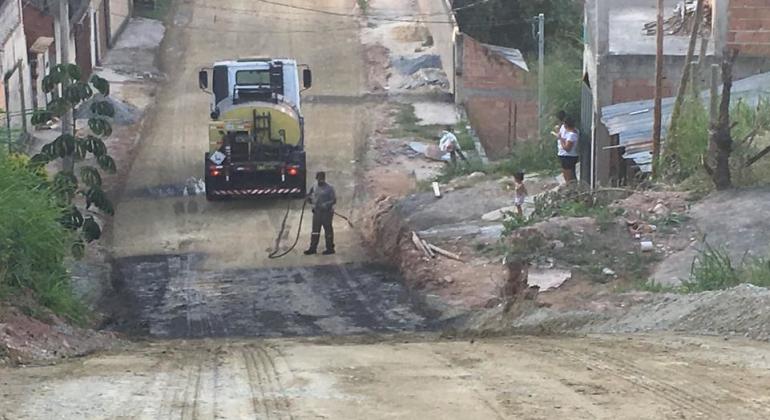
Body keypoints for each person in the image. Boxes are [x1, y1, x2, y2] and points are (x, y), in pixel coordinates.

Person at [304, 171, 336, 255]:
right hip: (317, 212)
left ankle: (330, 248)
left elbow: (334, 200)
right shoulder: (314, 186)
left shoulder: (329, 188)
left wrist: (326, 204)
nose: (320, 180)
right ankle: (313, 248)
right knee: (315, 231)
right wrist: (308, 199)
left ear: (324, 178)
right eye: (319, 178)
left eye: (322, 178)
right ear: (316, 178)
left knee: (328, 231)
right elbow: (309, 195)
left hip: (326, 213)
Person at [557, 117, 580, 183]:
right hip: (568, 156)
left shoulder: (571, 135)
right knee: (570, 175)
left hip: (568, 156)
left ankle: (571, 188)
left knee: (568, 176)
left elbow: (567, 148)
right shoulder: (574, 132)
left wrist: (560, 139)